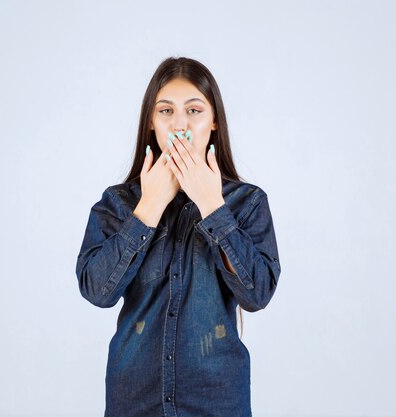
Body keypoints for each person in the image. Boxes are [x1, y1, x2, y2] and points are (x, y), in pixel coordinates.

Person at [75, 56, 281, 417]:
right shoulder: (119, 203)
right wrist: (149, 206)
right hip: (135, 401)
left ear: (214, 122)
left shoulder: (246, 203)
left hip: (217, 402)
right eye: (166, 111)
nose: (180, 125)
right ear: (151, 124)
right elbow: (96, 291)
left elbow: (258, 294)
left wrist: (212, 206)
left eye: (194, 110)